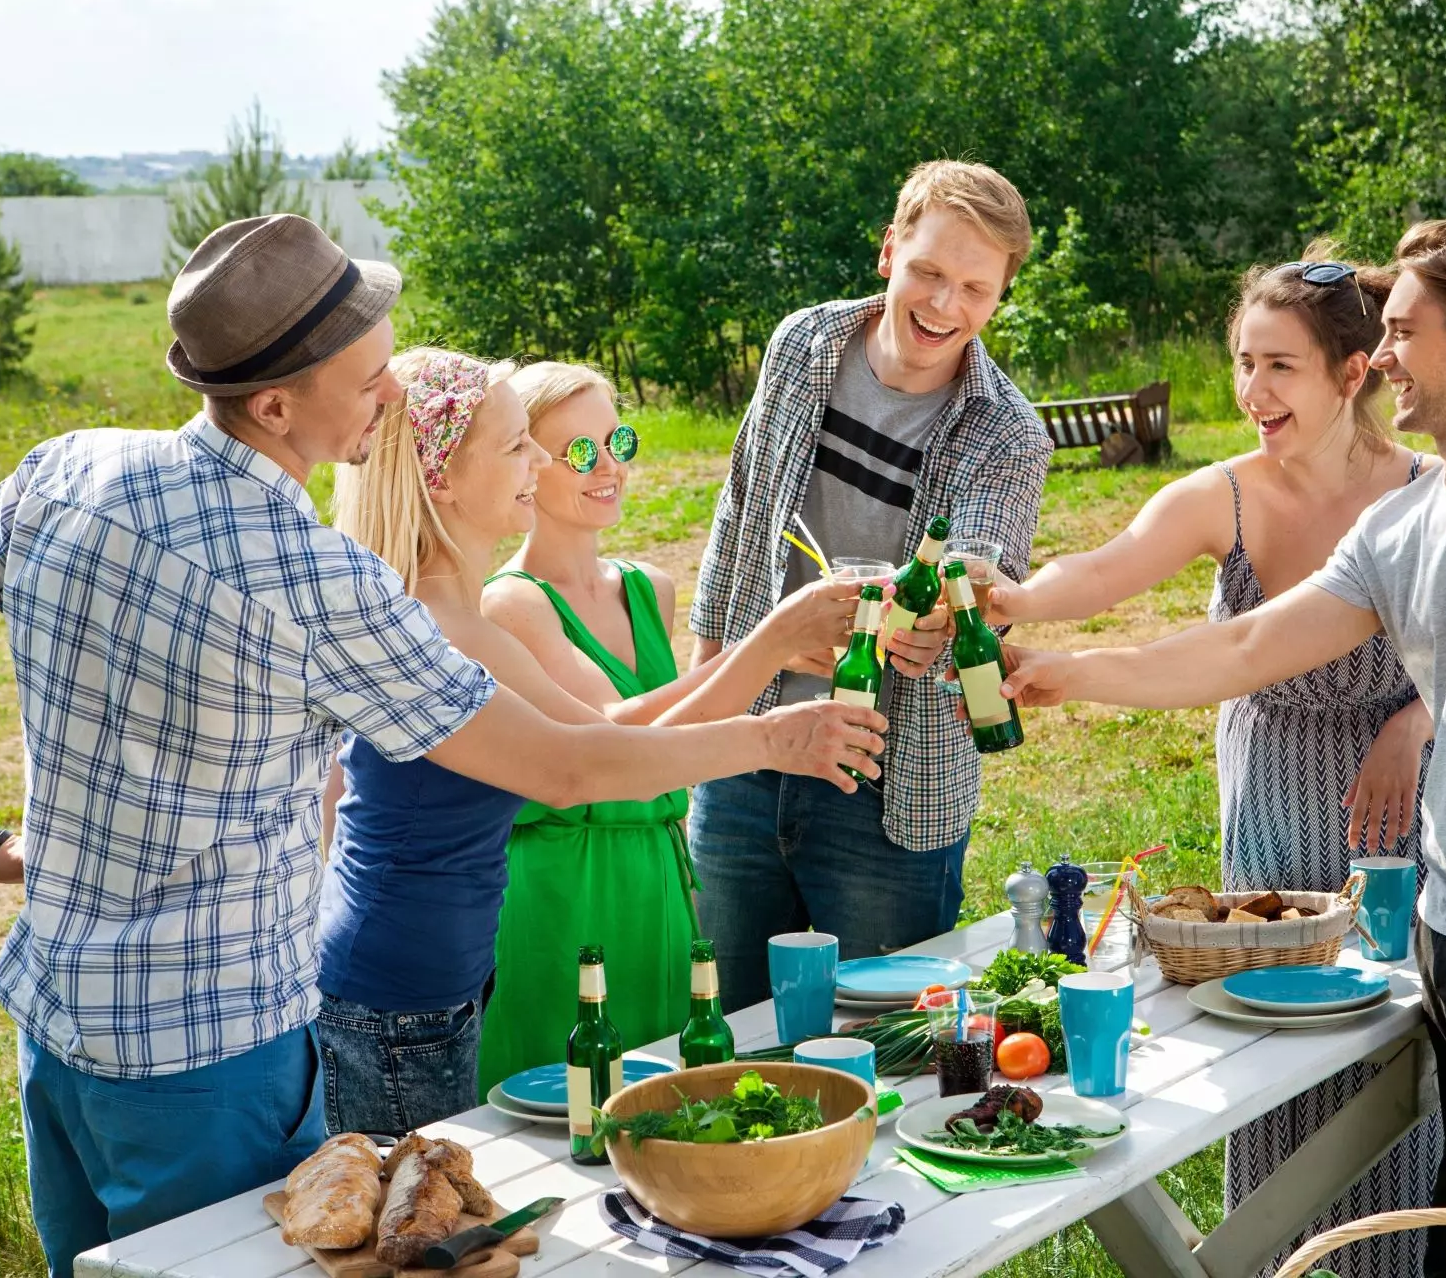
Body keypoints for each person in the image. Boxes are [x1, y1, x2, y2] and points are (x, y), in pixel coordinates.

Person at [0, 215, 882, 1277]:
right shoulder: (317, 581)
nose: (390, 394)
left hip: (53, 1020)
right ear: (276, 404)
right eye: (369, 376)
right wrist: (775, 733)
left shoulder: (69, 467)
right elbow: (563, 765)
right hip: (212, 1062)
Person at [1001, 218, 1446, 1278]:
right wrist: (1072, 672)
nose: (1383, 355)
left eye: (1406, 331)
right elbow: (1245, 646)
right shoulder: (1408, 524)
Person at [987, 243, 1441, 1278]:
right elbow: (1100, 569)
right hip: (1274, 789)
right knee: (1271, 1014)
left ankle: (1392, 1256)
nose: (1250, 390)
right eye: (1242, 361)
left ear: (1351, 371)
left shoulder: (1426, 490)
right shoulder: (1224, 494)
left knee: (1390, 1032)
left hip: (1397, 799)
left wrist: (1412, 722)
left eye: (1278, 364)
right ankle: (1271, 1252)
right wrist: (1011, 599)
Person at [317, 350, 859, 1134]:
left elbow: (596, 739)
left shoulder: (452, 616)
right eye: (516, 446)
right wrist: (772, 736)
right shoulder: (444, 627)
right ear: (440, 477)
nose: (539, 461)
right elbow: (575, 771)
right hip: (398, 1001)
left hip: (428, 987)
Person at [688, 159, 1054, 1009]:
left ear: (1000, 297)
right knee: (728, 1020)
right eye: (928, 272)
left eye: (974, 287)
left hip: (890, 784)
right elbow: (738, 515)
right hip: (748, 740)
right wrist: (701, 694)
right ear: (890, 252)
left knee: (881, 1042)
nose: (944, 305)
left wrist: (941, 608)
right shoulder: (803, 345)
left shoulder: (1009, 434)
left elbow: (979, 562)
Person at [473, 361, 863, 1091]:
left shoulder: (648, 588)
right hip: (566, 883)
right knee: (557, 1104)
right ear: (528, 463)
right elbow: (611, 732)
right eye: (581, 452)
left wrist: (771, 651)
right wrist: (767, 645)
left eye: (618, 440)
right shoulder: (511, 604)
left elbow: (679, 735)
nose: (610, 466)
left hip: (657, 873)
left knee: (659, 1097)